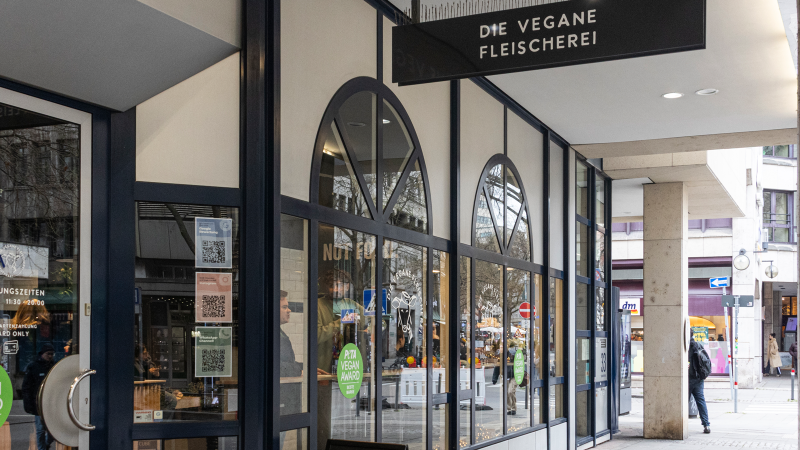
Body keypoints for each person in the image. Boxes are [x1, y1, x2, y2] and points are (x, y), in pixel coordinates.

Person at [279, 290, 303, 448]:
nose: (289, 310)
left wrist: (303, 367)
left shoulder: (279, 333)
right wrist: (298, 369)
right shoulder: (273, 334)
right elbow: (276, 366)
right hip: (279, 401)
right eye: (284, 307)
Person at [22, 343, 56, 450]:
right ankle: (42, 448)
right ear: (42, 354)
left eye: (52, 354)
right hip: (39, 403)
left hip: (51, 402)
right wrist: (29, 403)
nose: (50, 356)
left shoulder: (54, 367)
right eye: (48, 354)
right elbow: (27, 386)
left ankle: (45, 444)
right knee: (40, 429)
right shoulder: (33, 367)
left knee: (53, 430)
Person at [688, 336, 710, 434]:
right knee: (701, 401)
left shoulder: (686, 347)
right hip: (699, 379)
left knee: (683, 402)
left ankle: (681, 424)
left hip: (688, 379)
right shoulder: (698, 345)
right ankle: (706, 425)